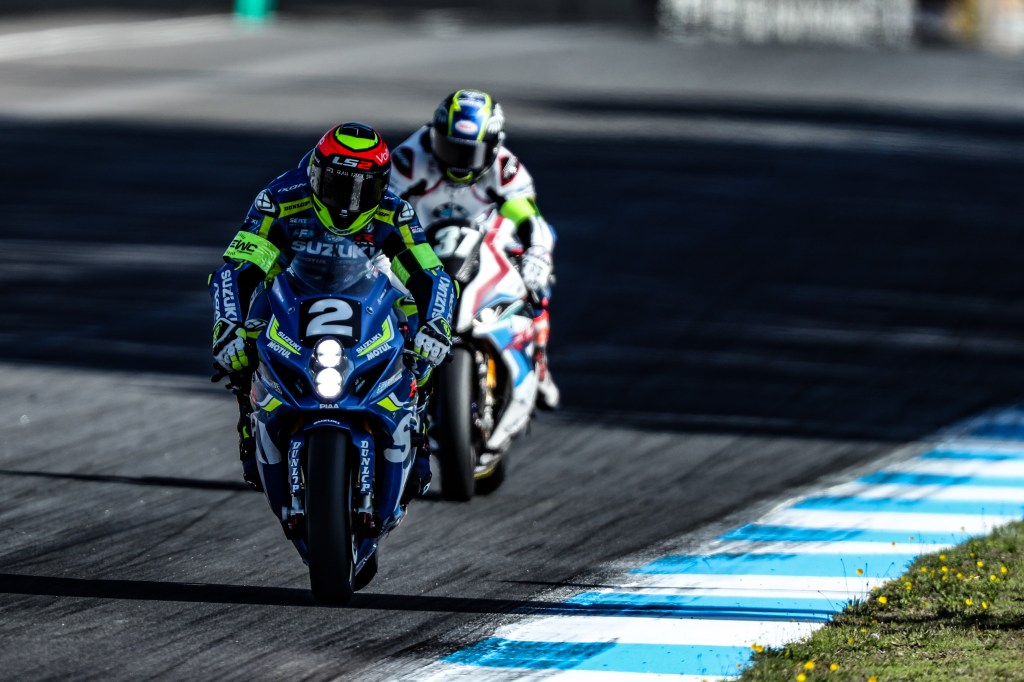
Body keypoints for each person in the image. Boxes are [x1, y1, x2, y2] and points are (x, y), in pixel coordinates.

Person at [209, 122, 455, 494]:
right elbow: (237, 269)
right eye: (338, 186)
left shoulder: (394, 211)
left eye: (363, 189)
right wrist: (228, 327)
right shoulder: (279, 199)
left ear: (382, 185)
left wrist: (436, 325)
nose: (348, 202)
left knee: (416, 334)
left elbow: (430, 274)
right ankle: (251, 421)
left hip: (366, 293)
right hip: (287, 294)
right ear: (314, 173)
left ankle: (415, 428)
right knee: (244, 348)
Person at [387, 89, 560, 410]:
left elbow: (529, 218)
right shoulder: (410, 158)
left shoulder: (505, 167)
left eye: (469, 153)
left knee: (538, 274)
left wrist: (537, 253)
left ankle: (539, 357)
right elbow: (383, 209)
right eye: (449, 147)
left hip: (488, 237)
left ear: (493, 147)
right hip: (423, 237)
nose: (457, 162)